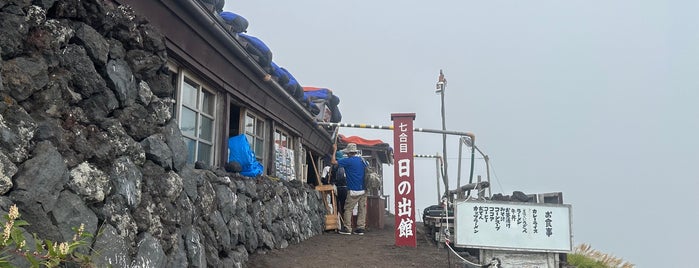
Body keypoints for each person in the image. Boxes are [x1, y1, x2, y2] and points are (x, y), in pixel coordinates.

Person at [332, 143, 367, 235]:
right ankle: (360, 228)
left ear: (348, 153)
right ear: (355, 152)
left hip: (353, 189)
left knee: (348, 209)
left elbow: (333, 162)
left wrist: (335, 150)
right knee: (362, 209)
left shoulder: (348, 161)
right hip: (363, 189)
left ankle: (347, 228)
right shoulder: (362, 160)